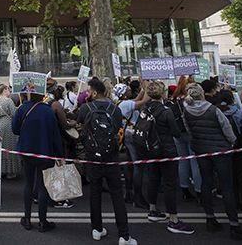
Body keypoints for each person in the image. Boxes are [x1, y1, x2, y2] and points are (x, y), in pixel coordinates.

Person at [182, 83, 242, 240]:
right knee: (227, 187)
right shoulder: (213, 109)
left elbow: (189, 129)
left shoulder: (187, 110)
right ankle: (234, 224)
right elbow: (227, 129)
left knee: (206, 182)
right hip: (220, 150)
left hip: (201, 149)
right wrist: (232, 143)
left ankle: (210, 218)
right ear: (202, 94)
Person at [77, 78, 137, 245]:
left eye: (88, 91)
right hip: (111, 157)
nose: (86, 94)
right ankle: (124, 235)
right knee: (117, 194)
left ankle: (97, 228)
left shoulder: (85, 108)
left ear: (95, 93)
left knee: (94, 193)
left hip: (92, 157)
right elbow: (117, 129)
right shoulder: (115, 109)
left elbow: (79, 126)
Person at [141, 81, 194, 234]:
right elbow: (176, 132)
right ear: (163, 93)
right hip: (166, 150)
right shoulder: (166, 111)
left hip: (150, 148)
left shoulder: (146, 108)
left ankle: (152, 210)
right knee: (170, 184)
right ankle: (173, 219)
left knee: (153, 179)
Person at [13, 90, 62, 233]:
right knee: (42, 186)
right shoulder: (48, 111)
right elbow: (55, 134)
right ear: (42, 96)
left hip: (27, 151)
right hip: (45, 152)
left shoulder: (22, 108)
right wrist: (59, 154)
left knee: (28, 183)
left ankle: (27, 218)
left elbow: (15, 129)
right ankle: (42, 221)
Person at [217, 89, 242, 213]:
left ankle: (233, 203)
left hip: (222, 148)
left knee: (229, 177)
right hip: (240, 146)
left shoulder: (215, 112)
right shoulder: (238, 113)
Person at [113, 82, 149, 208]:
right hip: (132, 134)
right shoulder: (127, 104)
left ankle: (129, 193)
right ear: (123, 94)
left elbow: (138, 98)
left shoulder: (121, 103)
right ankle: (138, 197)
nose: (130, 91)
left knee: (129, 164)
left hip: (126, 134)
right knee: (137, 165)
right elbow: (143, 101)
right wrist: (150, 88)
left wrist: (144, 87)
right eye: (127, 90)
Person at [169, 75, 202, 200]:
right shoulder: (193, 102)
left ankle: (184, 189)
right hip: (192, 133)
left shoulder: (175, 101)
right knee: (195, 162)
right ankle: (199, 190)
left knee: (182, 161)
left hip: (178, 133)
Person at [0, 84, 21, 179]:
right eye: (9, 89)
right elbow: (14, 114)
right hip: (8, 125)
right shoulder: (8, 101)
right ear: (5, 90)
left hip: (0, 125)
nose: (10, 91)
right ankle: (10, 171)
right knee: (10, 147)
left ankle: (0, 170)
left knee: (1, 148)